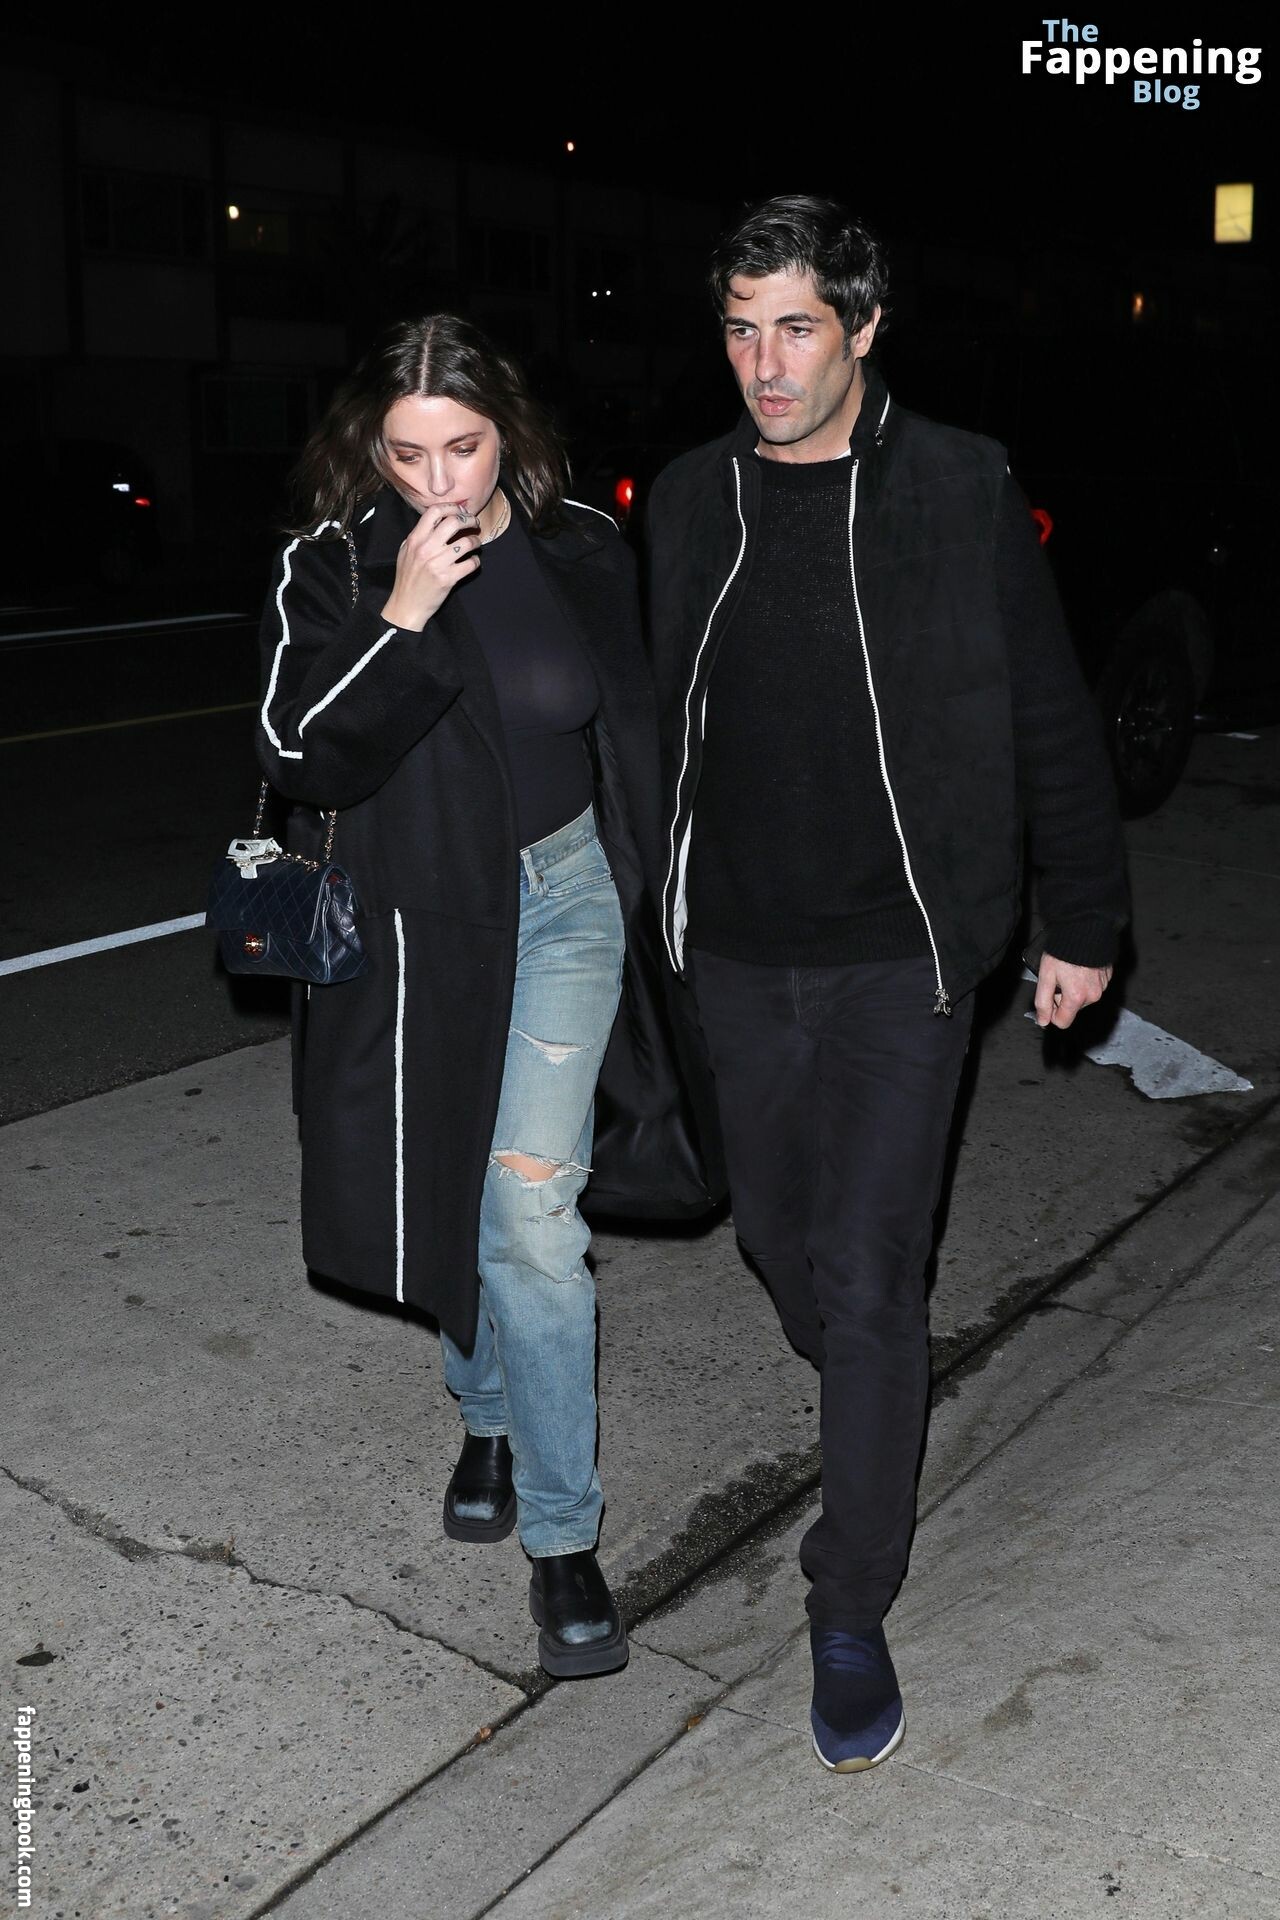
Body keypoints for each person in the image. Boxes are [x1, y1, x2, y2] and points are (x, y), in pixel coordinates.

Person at [644, 196, 1129, 1770]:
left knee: (866, 1272)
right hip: (739, 954)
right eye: (740, 329)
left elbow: (1048, 713)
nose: (765, 364)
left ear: (861, 328)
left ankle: (848, 1599)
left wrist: (1080, 918)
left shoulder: (955, 487)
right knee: (779, 1243)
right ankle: (872, 1372)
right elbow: (657, 721)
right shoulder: (694, 497)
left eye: (796, 328)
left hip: (900, 955)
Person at [256, 313, 667, 1678]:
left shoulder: (579, 546)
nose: (438, 481)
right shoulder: (335, 565)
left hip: (565, 903)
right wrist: (406, 613)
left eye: (466, 447)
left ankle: (563, 1539)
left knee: (530, 1215)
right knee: (455, 1186)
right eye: (408, 453)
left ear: (511, 434)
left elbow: (642, 728)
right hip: (422, 927)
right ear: (370, 448)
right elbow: (299, 753)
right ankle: (486, 1412)